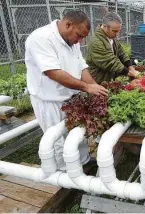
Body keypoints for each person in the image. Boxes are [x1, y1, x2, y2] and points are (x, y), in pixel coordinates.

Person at [25, 10, 108, 170]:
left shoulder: (71, 41)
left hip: (72, 97)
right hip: (50, 101)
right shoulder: (41, 38)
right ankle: (64, 173)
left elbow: (82, 67)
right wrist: (86, 87)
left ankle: (84, 162)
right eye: (79, 35)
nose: (80, 41)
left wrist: (95, 87)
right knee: (57, 139)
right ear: (68, 24)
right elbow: (52, 72)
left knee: (78, 134)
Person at [86, 12, 139, 83]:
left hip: (109, 79)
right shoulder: (96, 42)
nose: (117, 34)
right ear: (105, 27)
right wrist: (129, 73)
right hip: (98, 82)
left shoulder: (111, 37)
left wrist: (130, 67)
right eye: (115, 31)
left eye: (119, 31)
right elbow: (110, 62)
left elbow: (121, 53)